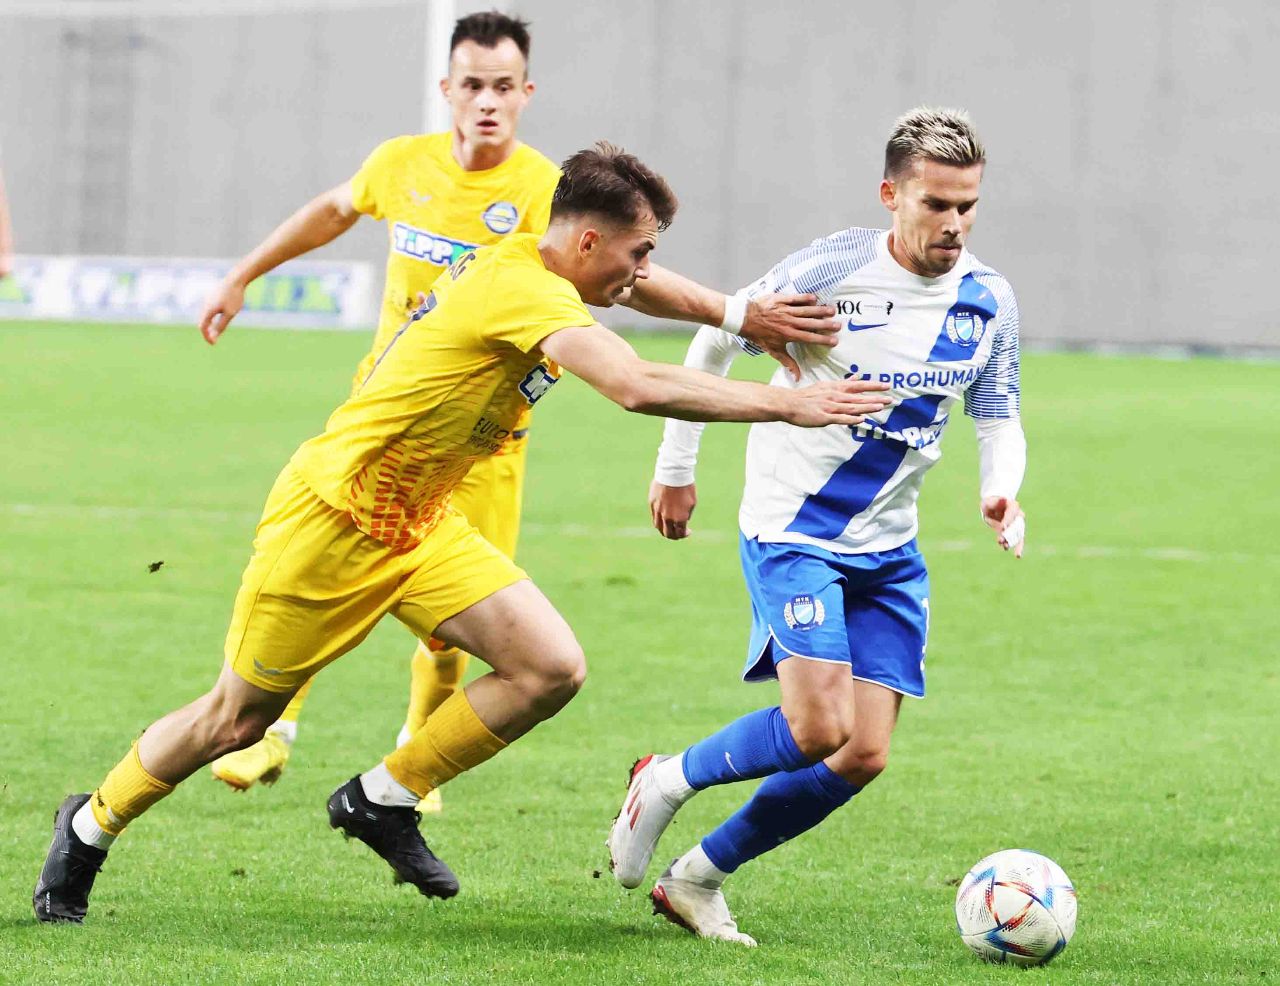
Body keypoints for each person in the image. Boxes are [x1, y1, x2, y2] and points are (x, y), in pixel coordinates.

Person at [34, 142, 892, 925]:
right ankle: (89, 826)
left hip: (419, 526)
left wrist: (743, 316)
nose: (643, 273)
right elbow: (632, 384)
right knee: (235, 721)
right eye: (637, 253)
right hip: (331, 523)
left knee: (548, 667)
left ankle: (383, 797)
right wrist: (790, 403)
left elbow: (646, 287)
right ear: (588, 242)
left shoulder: (545, 257)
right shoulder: (524, 289)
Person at [198, 11, 834, 798]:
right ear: (447, 89)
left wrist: (735, 315)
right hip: (387, 423)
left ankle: (414, 759)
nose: (487, 101)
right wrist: (243, 274)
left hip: (488, 446)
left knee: (454, 629)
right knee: (320, 574)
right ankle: (274, 728)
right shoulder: (401, 164)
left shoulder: (543, 192)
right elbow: (332, 210)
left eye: (503, 87)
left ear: (527, 94)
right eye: (473, 85)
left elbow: (631, 279)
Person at [607, 107, 1028, 946]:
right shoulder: (834, 269)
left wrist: (1001, 491)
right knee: (818, 728)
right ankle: (665, 779)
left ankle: (696, 879)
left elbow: (998, 411)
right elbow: (716, 340)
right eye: (936, 204)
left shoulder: (988, 300)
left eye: (968, 205)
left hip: (889, 549)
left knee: (861, 752)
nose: (954, 223)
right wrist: (677, 466)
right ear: (891, 196)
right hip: (792, 528)